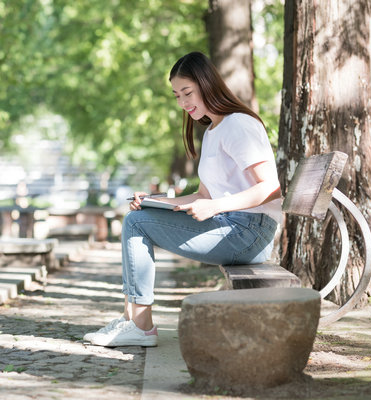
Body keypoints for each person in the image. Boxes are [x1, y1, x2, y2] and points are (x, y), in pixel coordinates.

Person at [83, 51, 282, 347]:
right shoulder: (214, 130)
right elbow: (201, 196)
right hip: (232, 227)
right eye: (177, 95)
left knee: (136, 224)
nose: (182, 102)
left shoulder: (238, 124)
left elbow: (271, 188)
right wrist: (154, 202)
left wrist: (215, 206)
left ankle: (139, 325)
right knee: (137, 218)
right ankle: (132, 321)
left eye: (187, 92)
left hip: (249, 233)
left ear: (207, 84)